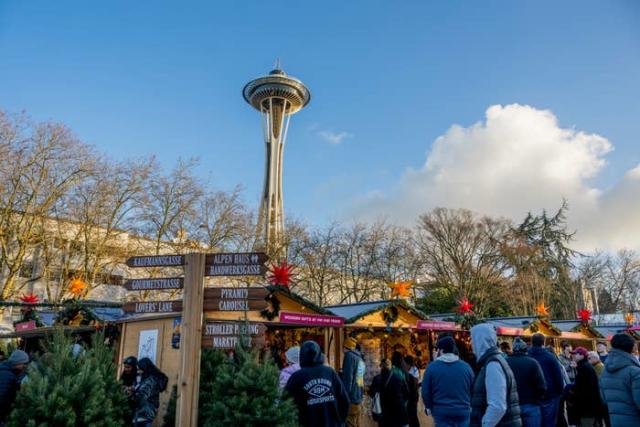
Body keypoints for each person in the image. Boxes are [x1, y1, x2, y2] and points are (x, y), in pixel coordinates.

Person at [285, 340, 350, 427]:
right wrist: (340, 422)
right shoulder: (330, 372)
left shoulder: (297, 377)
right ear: (320, 354)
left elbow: (285, 405)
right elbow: (345, 400)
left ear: (302, 356)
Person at [469, 323, 521, 427]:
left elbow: (497, 406)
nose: (471, 343)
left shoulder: (493, 364)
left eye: (473, 339)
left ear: (480, 340)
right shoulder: (494, 361)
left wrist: (485, 424)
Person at [422, 336, 474, 427]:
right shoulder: (466, 367)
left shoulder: (432, 368)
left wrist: (428, 407)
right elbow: (473, 388)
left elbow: (426, 391)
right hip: (463, 411)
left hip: (441, 412)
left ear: (440, 350)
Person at [600, 333, 640, 427]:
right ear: (631, 347)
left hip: (615, 420)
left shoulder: (605, 371)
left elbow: (604, 398)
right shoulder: (634, 372)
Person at [506, 337, 546, 427]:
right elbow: (542, 386)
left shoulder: (506, 362)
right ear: (525, 349)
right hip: (531, 405)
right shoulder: (533, 363)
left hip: (512, 406)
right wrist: (537, 398)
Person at [528, 334, 566, 427]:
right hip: (550, 394)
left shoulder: (527, 356)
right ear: (543, 342)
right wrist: (560, 391)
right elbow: (558, 376)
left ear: (532, 342)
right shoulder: (550, 357)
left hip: (532, 395)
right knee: (549, 421)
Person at [568, 347, 603, 427]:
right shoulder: (583, 367)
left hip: (587, 409)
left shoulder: (585, 368)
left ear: (582, 356)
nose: (573, 356)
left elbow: (586, 390)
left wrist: (572, 392)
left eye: (575, 354)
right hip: (587, 408)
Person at [133, 357, 168, 427]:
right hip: (148, 413)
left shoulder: (149, 381)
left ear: (145, 368)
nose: (138, 371)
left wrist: (132, 396)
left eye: (140, 369)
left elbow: (141, 396)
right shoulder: (152, 379)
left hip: (144, 412)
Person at [0, 350, 29, 425]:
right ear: (17, 362)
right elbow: (2, 398)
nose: (25, 366)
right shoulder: (7, 376)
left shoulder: (7, 371)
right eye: (24, 363)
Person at [341, 337, 365, 427]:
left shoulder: (349, 356)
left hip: (351, 398)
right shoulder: (360, 358)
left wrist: (344, 397)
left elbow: (348, 379)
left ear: (346, 347)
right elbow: (360, 380)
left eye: (343, 347)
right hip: (357, 397)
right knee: (356, 423)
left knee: (350, 423)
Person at [396, 352, 420, 427]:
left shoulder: (413, 369)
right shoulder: (403, 371)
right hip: (411, 397)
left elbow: (415, 381)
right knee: (411, 417)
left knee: (412, 417)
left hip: (412, 397)